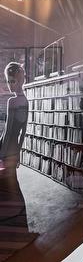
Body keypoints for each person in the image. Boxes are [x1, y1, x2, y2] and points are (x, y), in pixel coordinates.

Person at [0, 62, 33, 236]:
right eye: (9, 81)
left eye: (13, 81)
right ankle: (20, 221)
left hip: (6, 149)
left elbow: (8, 130)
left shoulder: (12, 101)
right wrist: (18, 152)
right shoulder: (25, 101)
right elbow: (23, 132)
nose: (10, 85)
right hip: (14, 150)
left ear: (20, 80)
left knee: (8, 186)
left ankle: (14, 223)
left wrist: (1, 154)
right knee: (12, 184)